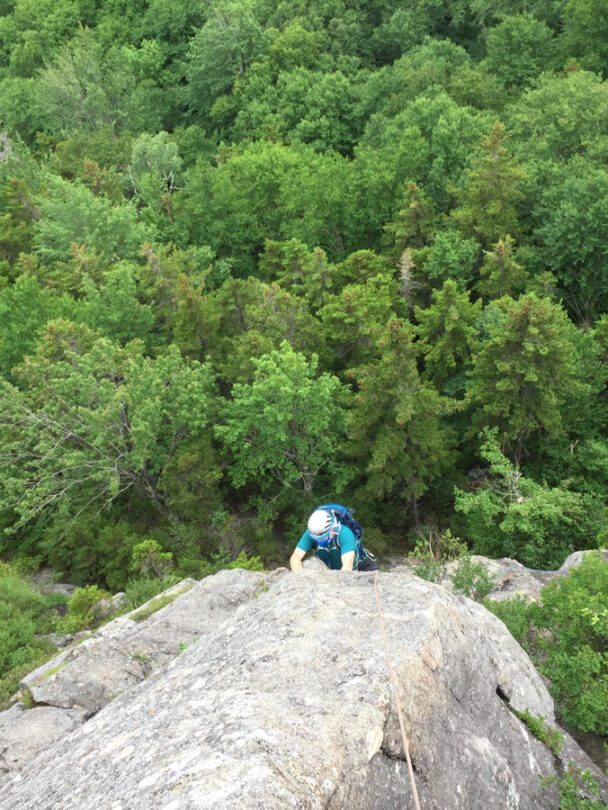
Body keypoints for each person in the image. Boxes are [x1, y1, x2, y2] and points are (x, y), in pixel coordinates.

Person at [289, 507, 379, 572]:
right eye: (316, 539)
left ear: (331, 530)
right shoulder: (311, 533)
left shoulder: (344, 534)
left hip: (363, 566)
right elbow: (295, 557)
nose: (319, 541)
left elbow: (347, 566)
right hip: (333, 570)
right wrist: (300, 576)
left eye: (322, 538)